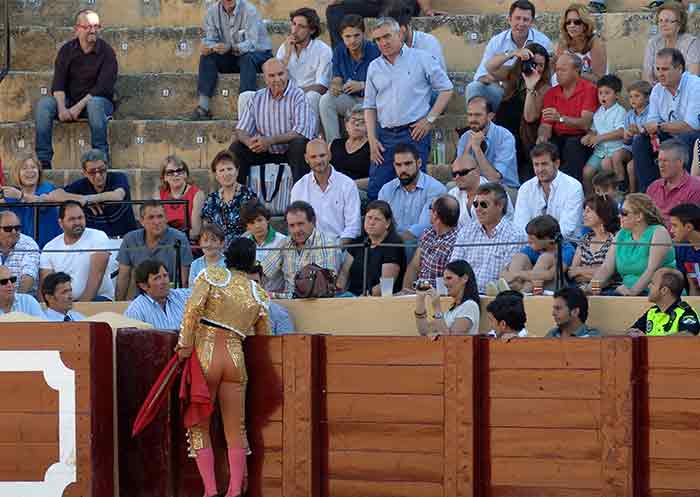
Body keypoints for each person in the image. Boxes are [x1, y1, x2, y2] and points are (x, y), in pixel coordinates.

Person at [175, 237, 270, 497]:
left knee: (200, 425)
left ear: (227, 255)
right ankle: (234, 491)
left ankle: (210, 491)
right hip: (235, 357)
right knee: (235, 428)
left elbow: (192, 310)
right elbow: (263, 338)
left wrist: (184, 345)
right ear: (252, 261)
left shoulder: (212, 275)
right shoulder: (258, 293)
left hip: (206, 353)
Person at [364, 17, 453, 200]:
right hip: (384, 136)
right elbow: (369, 106)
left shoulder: (421, 58)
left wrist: (429, 120)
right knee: (377, 190)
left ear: (399, 34)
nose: (383, 42)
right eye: (378, 39)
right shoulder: (374, 66)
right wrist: (372, 139)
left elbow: (446, 88)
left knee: (415, 189)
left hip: (414, 133)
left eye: (387, 36)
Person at [34, 9, 117, 169]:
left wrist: (77, 108)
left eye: (96, 26)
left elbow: (102, 88)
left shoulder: (107, 52)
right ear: (77, 29)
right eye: (88, 27)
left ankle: (101, 159)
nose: (93, 30)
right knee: (44, 105)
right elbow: (58, 84)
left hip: (99, 103)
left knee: (94, 104)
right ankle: (43, 162)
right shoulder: (67, 50)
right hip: (70, 101)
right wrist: (62, 108)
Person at [230, 58, 317, 185]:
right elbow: (241, 129)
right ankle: (238, 197)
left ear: (286, 74)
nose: (277, 79)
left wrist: (270, 140)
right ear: (265, 79)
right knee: (237, 147)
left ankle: (301, 198)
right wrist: (249, 142)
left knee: (299, 145)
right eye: (271, 76)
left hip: (289, 152)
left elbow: (301, 132)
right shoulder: (257, 97)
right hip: (264, 152)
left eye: (280, 74)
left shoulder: (298, 95)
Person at [190, 0, 273, 120]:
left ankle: (247, 110)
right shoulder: (212, 12)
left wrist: (231, 47)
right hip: (232, 56)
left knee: (247, 58)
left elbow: (252, 43)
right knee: (207, 57)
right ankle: (203, 108)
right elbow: (210, 39)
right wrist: (210, 47)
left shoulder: (250, 11)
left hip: (258, 54)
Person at [484, 42, 552, 181]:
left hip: (521, 140)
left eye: (541, 65)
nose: (537, 69)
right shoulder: (513, 75)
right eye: (534, 64)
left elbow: (529, 117)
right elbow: (490, 66)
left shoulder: (544, 88)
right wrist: (514, 53)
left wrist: (530, 88)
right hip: (500, 131)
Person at [635, 48, 700, 192]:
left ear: (679, 68)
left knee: (685, 138)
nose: (660, 74)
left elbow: (692, 125)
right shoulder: (658, 90)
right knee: (639, 141)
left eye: (665, 69)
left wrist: (658, 126)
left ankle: (684, 192)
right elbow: (652, 122)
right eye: (657, 69)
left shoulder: (695, 85)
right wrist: (645, 128)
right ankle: (650, 194)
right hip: (671, 136)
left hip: (693, 137)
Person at [468, 0, 552, 111]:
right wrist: (512, 54)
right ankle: (477, 124)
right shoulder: (497, 42)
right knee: (474, 87)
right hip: (503, 89)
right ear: (509, 19)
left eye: (526, 19)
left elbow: (548, 74)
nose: (521, 23)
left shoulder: (543, 41)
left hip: (533, 90)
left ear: (532, 22)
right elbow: (481, 75)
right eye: (517, 18)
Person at [591, 193, 676, 296]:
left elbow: (652, 270)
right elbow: (606, 267)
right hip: (626, 292)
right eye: (619, 212)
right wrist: (592, 288)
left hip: (657, 294)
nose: (619, 216)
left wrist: (632, 293)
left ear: (639, 216)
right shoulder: (621, 234)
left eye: (624, 213)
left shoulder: (659, 232)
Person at [451, 182, 525, 293]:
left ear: (500, 206)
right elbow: (454, 269)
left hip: (498, 298)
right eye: (476, 204)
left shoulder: (515, 236)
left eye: (484, 204)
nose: (478, 209)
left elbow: (510, 279)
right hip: (466, 296)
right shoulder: (466, 232)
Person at [46, 149, 139, 238]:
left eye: (102, 170)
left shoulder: (118, 177)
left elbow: (117, 195)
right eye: (92, 172)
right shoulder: (81, 185)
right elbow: (53, 195)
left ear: (107, 167)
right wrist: (80, 199)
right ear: (85, 173)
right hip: (95, 242)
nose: (98, 176)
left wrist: (88, 199)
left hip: (125, 239)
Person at [261, 201, 344, 298]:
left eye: (300, 224)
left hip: (317, 305)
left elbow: (319, 290)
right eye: (292, 225)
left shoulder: (326, 244)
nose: (296, 230)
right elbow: (263, 273)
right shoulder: (285, 243)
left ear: (313, 222)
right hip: (288, 304)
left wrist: (274, 296)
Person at [537, 52, 598, 182]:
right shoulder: (551, 93)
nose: (558, 73)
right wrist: (542, 136)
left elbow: (585, 123)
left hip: (582, 138)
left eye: (563, 70)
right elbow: (545, 125)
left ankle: (572, 190)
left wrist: (560, 118)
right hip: (558, 137)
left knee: (572, 146)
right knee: (543, 148)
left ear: (576, 71)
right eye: (556, 69)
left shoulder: (589, 89)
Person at [320, 15, 380, 144]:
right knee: (326, 100)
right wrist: (335, 85)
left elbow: (384, 83)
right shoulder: (339, 51)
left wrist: (363, 85)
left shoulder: (374, 50)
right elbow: (337, 77)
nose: (352, 40)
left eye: (356, 35)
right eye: (347, 36)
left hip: (371, 101)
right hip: (350, 99)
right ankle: (333, 145)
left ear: (364, 34)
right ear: (342, 36)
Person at [116, 201, 193, 300]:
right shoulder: (130, 239)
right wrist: (118, 306)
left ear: (166, 219)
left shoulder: (179, 238)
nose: (156, 222)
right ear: (142, 221)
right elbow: (123, 277)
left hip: (170, 298)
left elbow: (185, 280)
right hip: (140, 299)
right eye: (151, 217)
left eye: (160, 216)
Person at [39, 201, 114, 302]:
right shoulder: (50, 247)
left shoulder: (98, 237)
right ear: (61, 223)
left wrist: (78, 310)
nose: (77, 222)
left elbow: (96, 277)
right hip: (62, 305)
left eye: (80, 218)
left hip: (97, 300)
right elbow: (46, 286)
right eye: (72, 219)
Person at [290, 138, 362, 243]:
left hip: (341, 247)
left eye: (322, 155)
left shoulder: (347, 184)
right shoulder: (299, 187)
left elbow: (353, 227)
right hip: (309, 248)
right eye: (313, 157)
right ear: (306, 159)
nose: (319, 161)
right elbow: (295, 224)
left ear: (329, 155)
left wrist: (334, 249)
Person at [377, 143, 446, 242]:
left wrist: (395, 240)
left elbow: (425, 227)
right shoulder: (386, 189)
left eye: (408, 164)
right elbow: (380, 220)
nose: (403, 169)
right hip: (391, 244)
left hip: (421, 244)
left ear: (419, 163)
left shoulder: (436, 189)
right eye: (398, 165)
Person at [514, 142, 584, 239]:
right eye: (536, 164)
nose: (540, 169)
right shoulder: (525, 188)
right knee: (518, 255)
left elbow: (567, 229)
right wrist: (535, 243)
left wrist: (541, 242)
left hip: (564, 243)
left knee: (546, 255)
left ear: (557, 164)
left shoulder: (573, 187)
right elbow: (520, 226)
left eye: (544, 164)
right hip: (532, 243)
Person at [336, 200, 406, 296]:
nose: (371, 222)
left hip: (378, 300)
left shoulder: (393, 245)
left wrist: (364, 296)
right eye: (369, 218)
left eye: (377, 219)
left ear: (388, 223)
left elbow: (386, 285)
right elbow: (344, 273)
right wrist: (339, 291)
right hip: (352, 297)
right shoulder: (358, 242)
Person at [275, 8, 332, 120]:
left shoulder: (323, 50)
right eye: (294, 24)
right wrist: (287, 55)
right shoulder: (284, 48)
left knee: (311, 97)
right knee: (246, 96)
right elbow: (274, 79)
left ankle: (308, 136)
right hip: (285, 96)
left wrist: (295, 93)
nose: (294, 30)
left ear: (312, 30)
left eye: (301, 26)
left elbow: (322, 86)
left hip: (308, 96)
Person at [457, 96, 519, 195]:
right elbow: (459, 174)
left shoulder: (505, 136)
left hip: (504, 188)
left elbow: (494, 178)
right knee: (451, 187)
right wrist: (467, 148)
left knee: (485, 194)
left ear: (490, 116)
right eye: (470, 115)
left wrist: (477, 149)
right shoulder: (465, 137)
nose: (473, 119)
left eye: (477, 115)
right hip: (475, 186)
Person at [501, 214, 577, 293]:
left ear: (546, 239)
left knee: (545, 258)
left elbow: (551, 274)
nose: (528, 241)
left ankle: (519, 293)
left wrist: (517, 274)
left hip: (558, 287)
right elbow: (507, 269)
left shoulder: (566, 250)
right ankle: (514, 288)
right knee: (520, 257)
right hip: (533, 286)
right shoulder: (533, 248)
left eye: (532, 239)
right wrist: (507, 275)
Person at [0, 153, 61, 248]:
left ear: (39, 171)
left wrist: (21, 196)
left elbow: (43, 202)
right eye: (24, 168)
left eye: (33, 167)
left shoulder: (46, 188)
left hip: (48, 249)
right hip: (23, 252)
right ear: (17, 173)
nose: (29, 171)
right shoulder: (14, 194)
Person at [201, 150, 259, 247]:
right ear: (216, 175)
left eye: (229, 169)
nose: (226, 173)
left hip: (243, 248)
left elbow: (254, 226)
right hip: (217, 248)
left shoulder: (248, 195)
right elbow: (207, 228)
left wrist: (235, 245)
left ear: (237, 171)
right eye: (221, 170)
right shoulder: (211, 200)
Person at [402, 194, 460, 289]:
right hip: (417, 293)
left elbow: (451, 281)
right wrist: (405, 293)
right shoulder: (428, 233)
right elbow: (414, 267)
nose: (428, 211)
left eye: (430, 208)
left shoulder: (457, 240)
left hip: (438, 297)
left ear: (435, 215)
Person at [581, 75, 626, 194]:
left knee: (606, 167)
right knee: (587, 172)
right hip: (600, 151)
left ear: (616, 95)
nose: (603, 96)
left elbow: (621, 132)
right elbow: (594, 129)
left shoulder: (620, 111)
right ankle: (591, 198)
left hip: (614, 150)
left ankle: (616, 194)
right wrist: (589, 136)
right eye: (600, 93)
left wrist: (599, 138)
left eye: (607, 93)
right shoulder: (598, 112)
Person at [326, 0, 437, 48]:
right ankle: (342, 56)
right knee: (334, 10)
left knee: (390, 11)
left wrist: (427, 9)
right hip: (373, 3)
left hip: (399, 2)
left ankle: (389, 57)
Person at [414, 260, 481, 335]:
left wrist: (437, 307)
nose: (445, 283)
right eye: (444, 279)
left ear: (464, 278)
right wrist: (420, 299)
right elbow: (424, 331)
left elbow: (450, 340)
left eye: (449, 278)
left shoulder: (470, 306)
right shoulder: (452, 311)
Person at [568, 194, 620, 290]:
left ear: (603, 213)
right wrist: (596, 271)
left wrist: (580, 270)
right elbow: (571, 272)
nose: (584, 214)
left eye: (588, 211)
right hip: (581, 291)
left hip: (609, 292)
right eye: (584, 211)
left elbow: (611, 275)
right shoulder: (585, 239)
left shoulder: (616, 238)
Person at [627, 267, 700, 336]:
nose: (648, 286)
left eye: (652, 283)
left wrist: (648, 339)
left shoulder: (686, 313)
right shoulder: (652, 311)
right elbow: (632, 331)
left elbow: (688, 335)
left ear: (664, 290)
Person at [647, 139, 700, 228]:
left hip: (679, 240)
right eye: (659, 161)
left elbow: (687, 228)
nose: (661, 165)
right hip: (651, 237)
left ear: (680, 162)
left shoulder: (695, 188)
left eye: (665, 161)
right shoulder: (653, 187)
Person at [643, 2, 700, 84]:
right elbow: (647, 76)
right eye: (660, 21)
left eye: (668, 21)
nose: (663, 24)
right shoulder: (653, 43)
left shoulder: (691, 43)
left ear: (679, 24)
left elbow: (693, 78)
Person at [124, 260, 191, 329]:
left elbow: (200, 290)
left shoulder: (181, 296)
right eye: (157, 278)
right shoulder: (136, 311)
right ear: (143, 286)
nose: (164, 282)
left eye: (165, 276)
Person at [448, 155, 512, 228]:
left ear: (477, 171)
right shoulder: (452, 195)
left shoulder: (496, 191)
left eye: (463, 172)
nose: (457, 177)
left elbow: (508, 221)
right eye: (454, 174)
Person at [611, 80, 652, 193]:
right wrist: (628, 135)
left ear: (647, 98)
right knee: (616, 155)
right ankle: (621, 186)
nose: (632, 99)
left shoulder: (651, 112)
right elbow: (625, 140)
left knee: (631, 166)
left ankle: (632, 192)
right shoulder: (629, 115)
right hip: (630, 147)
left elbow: (650, 133)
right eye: (630, 97)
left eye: (637, 96)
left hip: (645, 148)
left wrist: (639, 132)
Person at [240, 201, 288, 293]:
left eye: (259, 220)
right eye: (251, 223)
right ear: (246, 226)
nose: (257, 226)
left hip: (276, 294)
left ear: (267, 219)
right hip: (251, 294)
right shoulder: (243, 242)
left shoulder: (282, 241)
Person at [384, 1, 446, 71]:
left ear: (406, 26)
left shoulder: (428, 44)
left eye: (396, 33)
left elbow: (439, 79)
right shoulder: (387, 46)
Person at [154, 156, 205, 240]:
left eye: (179, 171)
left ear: (185, 174)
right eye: (170, 172)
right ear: (164, 177)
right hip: (164, 243)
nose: (175, 174)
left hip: (188, 243)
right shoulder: (159, 194)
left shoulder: (197, 195)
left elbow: (195, 232)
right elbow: (155, 226)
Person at [552, 4, 607, 84]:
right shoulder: (563, 42)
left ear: (585, 25)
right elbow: (557, 68)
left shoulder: (595, 42)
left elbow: (599, 78)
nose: (572, 25)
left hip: (591, 87)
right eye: (568, 22)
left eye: (577, 22)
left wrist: (575, 73)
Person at [246, 263, 295, 335]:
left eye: (255, 282)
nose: (252, 287)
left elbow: (287, 344)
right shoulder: (231, 312)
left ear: (262, 282)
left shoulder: (279, 313)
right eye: (247, 283)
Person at [330, 104, 371, 186]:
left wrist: (348, 185)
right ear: (346, 125)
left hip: (358, 189)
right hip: (332, 188)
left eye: (362, 121)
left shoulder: (372, 147)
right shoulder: (334, 144)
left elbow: (374, 179)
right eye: (353, 121)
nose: (357, 124)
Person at [0, 211, 40, 295]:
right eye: (8, 229)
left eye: (17, 228)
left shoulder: (29, 244)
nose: (14, 232)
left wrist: (17, 300)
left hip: (23, 299)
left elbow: (28, 276)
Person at [669, 203, 700, 294]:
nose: (671, 230)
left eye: (675, 225)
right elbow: (693, 286)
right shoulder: (681, 249)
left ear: (689, 227)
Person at [189, 223, 227, 287]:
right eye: (205, 240)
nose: (209, 244)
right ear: (200, 243)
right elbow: (191, 289)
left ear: (222, 243)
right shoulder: (195, 264)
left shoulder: (228, 263)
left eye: (213, 240)